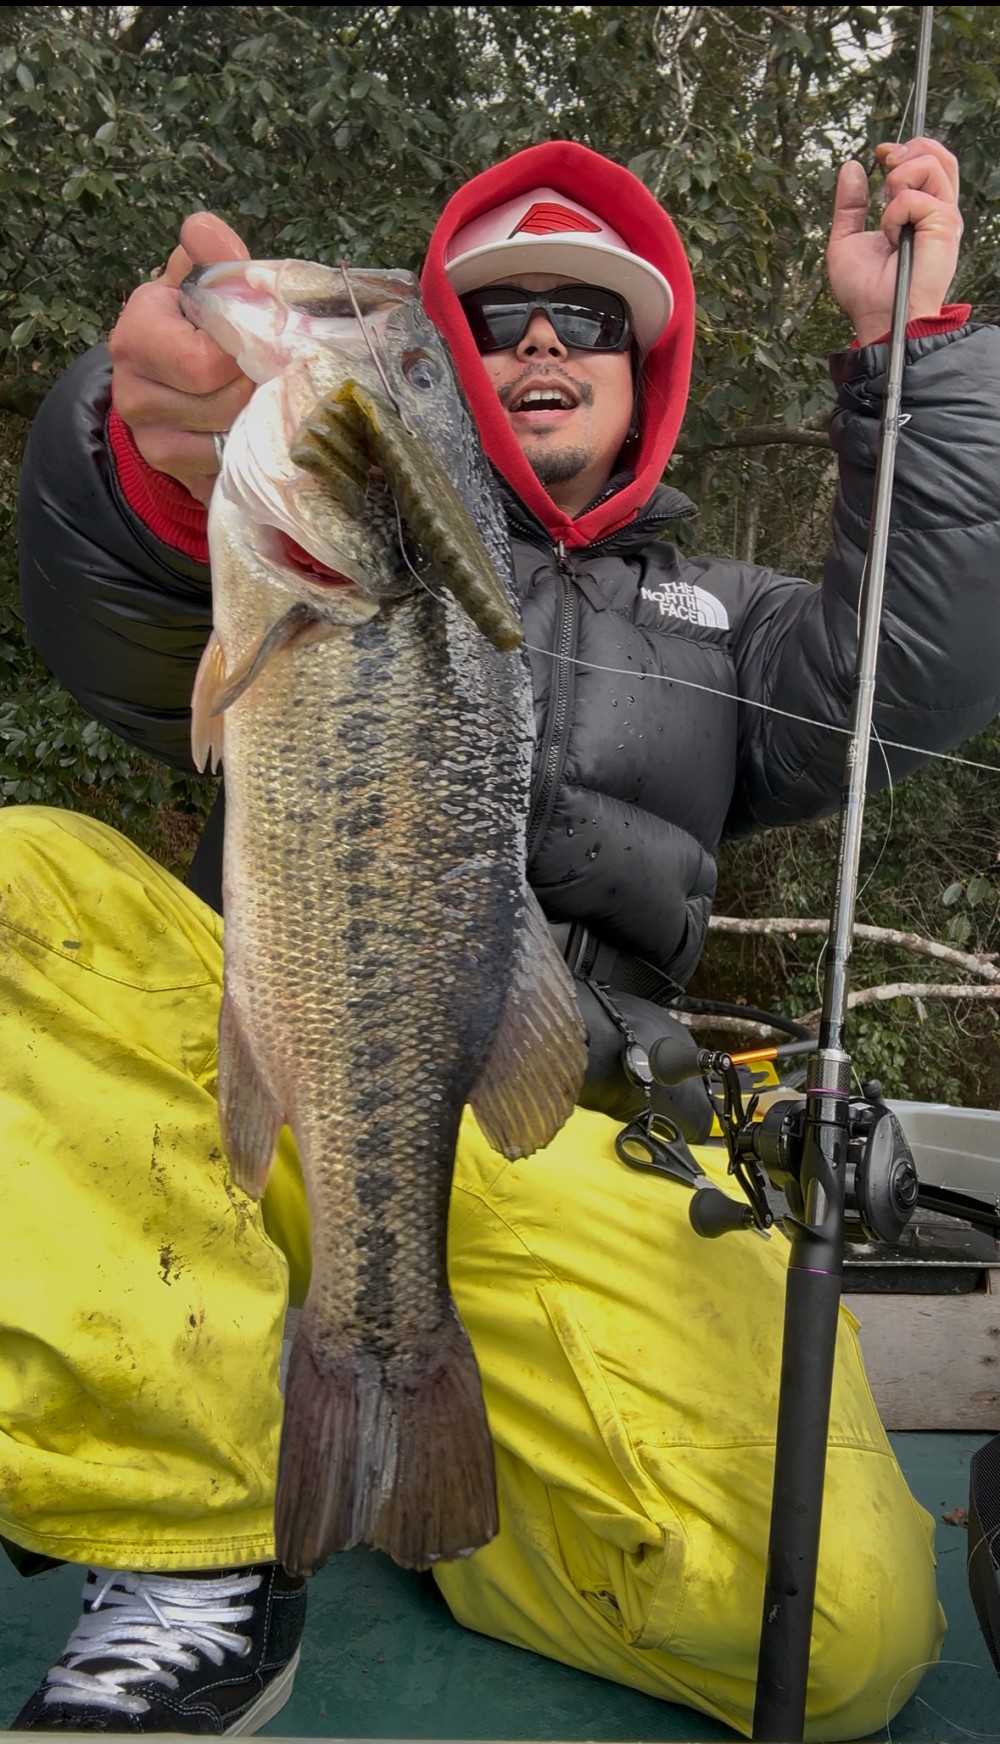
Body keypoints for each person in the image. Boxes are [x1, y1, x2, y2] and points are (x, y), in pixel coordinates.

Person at [4, 133, 997, 1736]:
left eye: (586, 317)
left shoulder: (734, 623)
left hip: (554, 1154)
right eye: (501, 311)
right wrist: (144, 455)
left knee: (842, 1644)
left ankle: (468, 1508)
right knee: (21, 881)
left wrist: (908, 353)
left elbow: (921, 679)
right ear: (449, 372)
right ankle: (198, 1543)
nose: (541, 340)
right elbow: (106, 605)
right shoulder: (297, 529)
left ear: (648, 368)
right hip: (238, 1114)